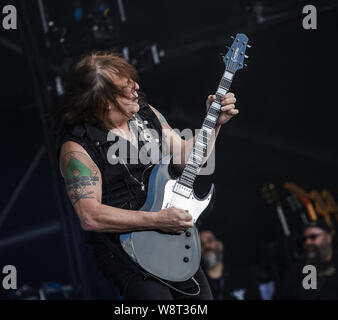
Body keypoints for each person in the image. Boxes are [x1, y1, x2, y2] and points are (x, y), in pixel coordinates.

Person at [52, 52, 239, 300]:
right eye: (126, 87)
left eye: (133, 81)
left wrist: (214, 123)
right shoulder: (77, 148)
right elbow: (90, 216)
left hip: (171, 241)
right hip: (126, 253)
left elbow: (187, 159)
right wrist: (157, 219)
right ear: (105, 101)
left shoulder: (145, 114)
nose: (136, 88)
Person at [274, 219, 338, 299]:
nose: (308, 242)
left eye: (313, 237)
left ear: (328, 238)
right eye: (304, 239)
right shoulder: (296, 271)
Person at [200, 230, 261, 300]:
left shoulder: (243, 275)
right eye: (201, 244)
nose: (206, 246)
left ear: (220, 245)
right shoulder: (197, 284)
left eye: (209, 241)